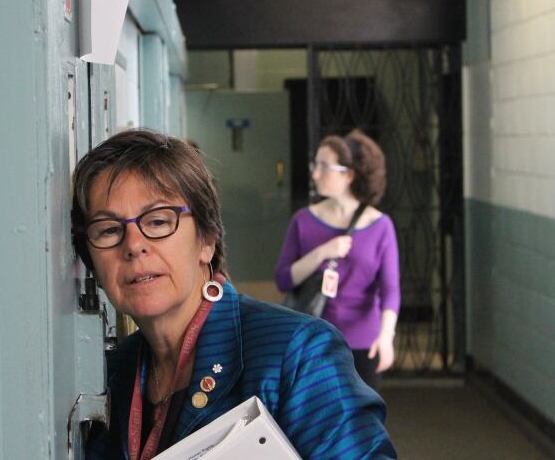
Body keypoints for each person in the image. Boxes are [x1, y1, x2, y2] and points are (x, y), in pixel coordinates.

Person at [72, 129, 396, 459]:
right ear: (92, 264)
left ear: (207, 239)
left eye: (157, 222)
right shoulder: (113, 373)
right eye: (109, 230)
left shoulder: (297, 354)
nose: (134, 246)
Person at [274, 129, 400, 391]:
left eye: (323, 166)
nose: (315, 173)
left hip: (364, 342)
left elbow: (390, 290)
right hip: (314, 340)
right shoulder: (304, 220)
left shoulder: (380, 226)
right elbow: (283, 279)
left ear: (348, 174)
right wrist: (322, 252)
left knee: (362, 425)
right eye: (315, 164)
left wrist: (386, 336)